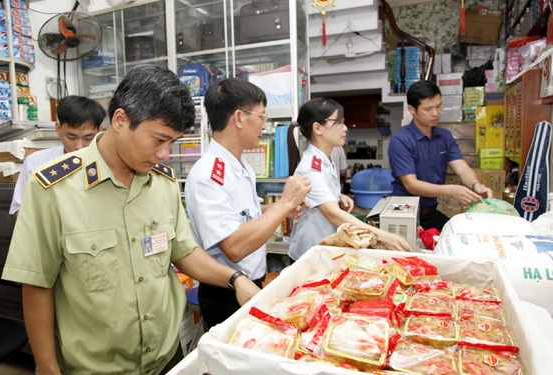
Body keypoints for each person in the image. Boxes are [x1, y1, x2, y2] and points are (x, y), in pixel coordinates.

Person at [1, 65, 261, 375]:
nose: (165, 153)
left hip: (167, 355)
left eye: (173, 143)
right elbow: (37, 283)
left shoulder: (163, 183)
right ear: (121, 120)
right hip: (96, 366)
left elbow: (184, 251)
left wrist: (235, 279)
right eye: (158, 139)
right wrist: (46, 365)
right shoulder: (53, 189)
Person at [185, 78, 311, 329]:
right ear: (239, 118)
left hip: (253, 282)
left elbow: (245, 214)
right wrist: (284, 203)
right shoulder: (209, 175)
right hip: (227, 292)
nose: (264, 125)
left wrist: (279, 209)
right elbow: (234, 245)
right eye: (262, 116)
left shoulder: (239, 166)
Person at [287, 97, 412, 261]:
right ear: (317, 128)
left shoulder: (326, 158)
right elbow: (333, 214)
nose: (345, 128)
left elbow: (321, 192)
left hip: (324, 247)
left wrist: (337, 196)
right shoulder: (311, 167)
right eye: (338, 122)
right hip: (311, 252)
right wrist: (384, 236)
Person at [388, 80, 493, 232]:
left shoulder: (444, 136)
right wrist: (451, 190)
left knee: (458, 233)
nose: (435, 113)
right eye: (428, 109)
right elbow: (411, 184)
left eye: (438, 106)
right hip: (404, 214)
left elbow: (461, 167)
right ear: (412, 109)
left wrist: (476, 185)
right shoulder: (401, 140)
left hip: (429, 212)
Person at [9, 95, 106, 217]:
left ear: (99, 131)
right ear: (58, 129)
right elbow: (20, 212)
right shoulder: (37, 162)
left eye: (88, 138)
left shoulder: (107, 162)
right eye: (71, 137)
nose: (79, 146)